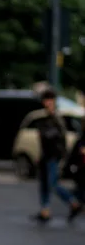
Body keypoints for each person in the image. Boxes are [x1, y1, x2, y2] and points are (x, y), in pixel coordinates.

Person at [32, 88, 82, 223]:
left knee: (52, 183)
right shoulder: (45, 117)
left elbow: (60, 138)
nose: (47, 103)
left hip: (53, 155)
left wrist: (62, 155)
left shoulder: (56, 118)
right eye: (45, 100)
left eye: (49, 100)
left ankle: (73, 202)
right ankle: (45, 210)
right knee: (44, 183)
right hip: (45, 154)